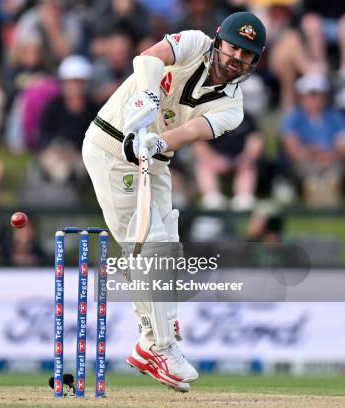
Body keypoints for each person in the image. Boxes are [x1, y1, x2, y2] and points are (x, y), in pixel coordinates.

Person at [82, 12, 266, 392]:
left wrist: (157, 141)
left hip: (155, 158)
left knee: (167, 250)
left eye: (245, 54)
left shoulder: (232, 108)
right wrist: (147, 96)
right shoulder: (195, 43)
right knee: (149, 246)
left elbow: (190, 131)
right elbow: (146, 59)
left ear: (253, 61)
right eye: (233, 46)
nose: (236, 57)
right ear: (219, 40)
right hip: (110, 146)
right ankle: (160, 345)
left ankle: (151, 339)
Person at [280, 74, 345, 208]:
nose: (315, 99)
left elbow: (342, 143)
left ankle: (324, 191)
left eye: (318, 95)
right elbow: (290, 146)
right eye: (311, 95)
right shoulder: (294, 117)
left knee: (335, 169)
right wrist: (312, 153)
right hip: (306, 159)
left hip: (331, 158)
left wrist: (330, 155)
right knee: (307, 169)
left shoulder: (334, 115)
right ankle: (319, 191)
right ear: (302, 97)